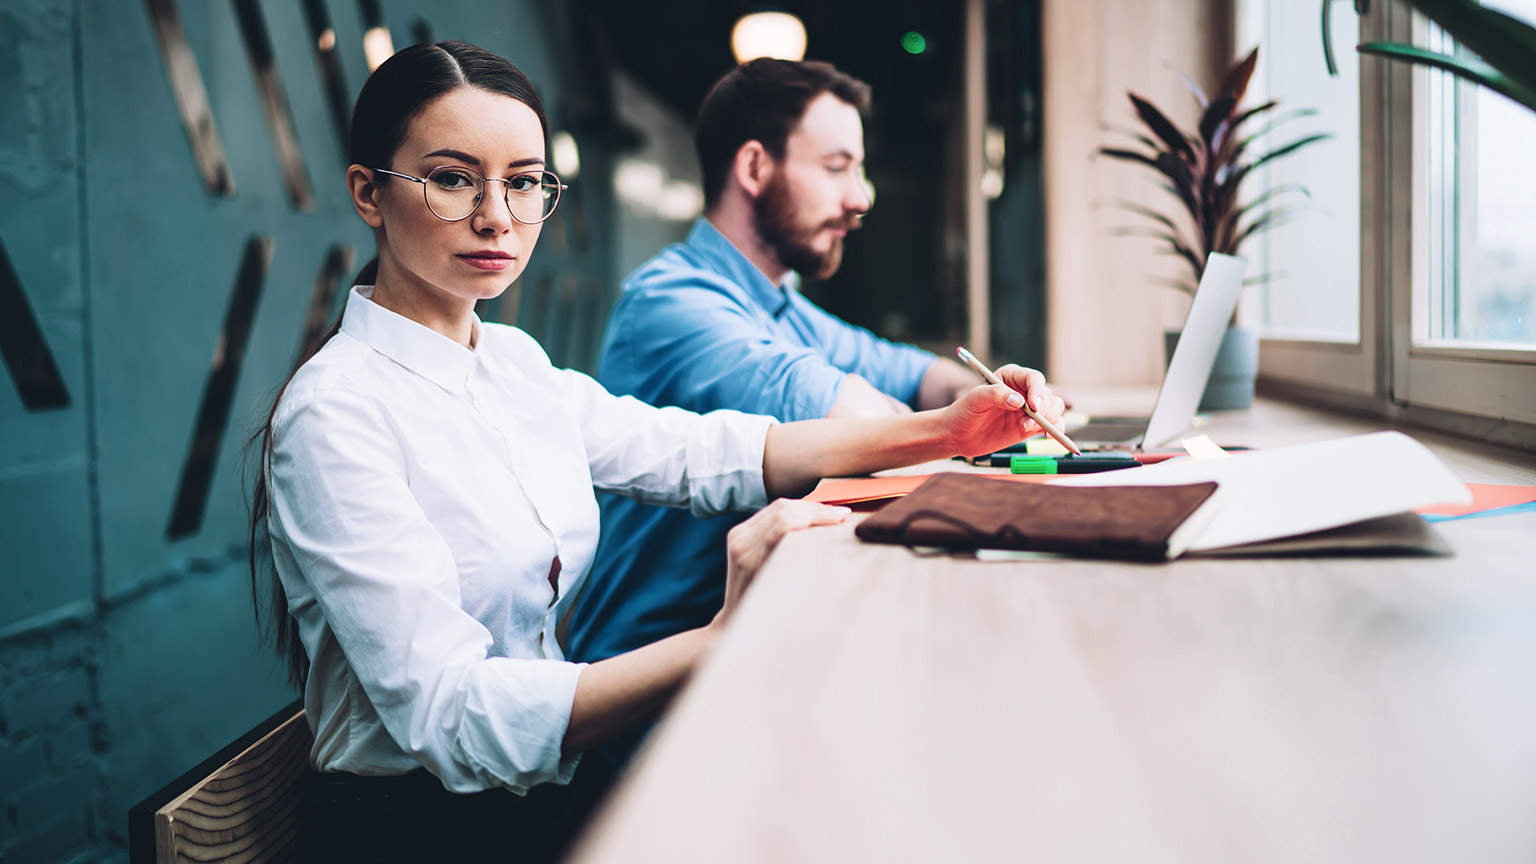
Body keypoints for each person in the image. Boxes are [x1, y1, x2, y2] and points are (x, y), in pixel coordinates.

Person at [247, 41, 1062, 863]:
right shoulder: (335, 413)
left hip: (545, 790)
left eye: (524, 182)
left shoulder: (513, 364)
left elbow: (709, 454)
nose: (497, 214)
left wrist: (954, 430)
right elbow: (454, 718)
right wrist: (725, 634)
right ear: (369, 194)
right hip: (424, 830)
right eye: (453, 178)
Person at [568, 59, 988, 698]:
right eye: (838, 167)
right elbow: (859, 422)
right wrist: (963, 425)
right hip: (646, 695)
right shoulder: (672, 302)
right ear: (755, 168)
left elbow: (917, 373)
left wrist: (979, 395)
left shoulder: (780, 303)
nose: (862, 196)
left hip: (746, 648)